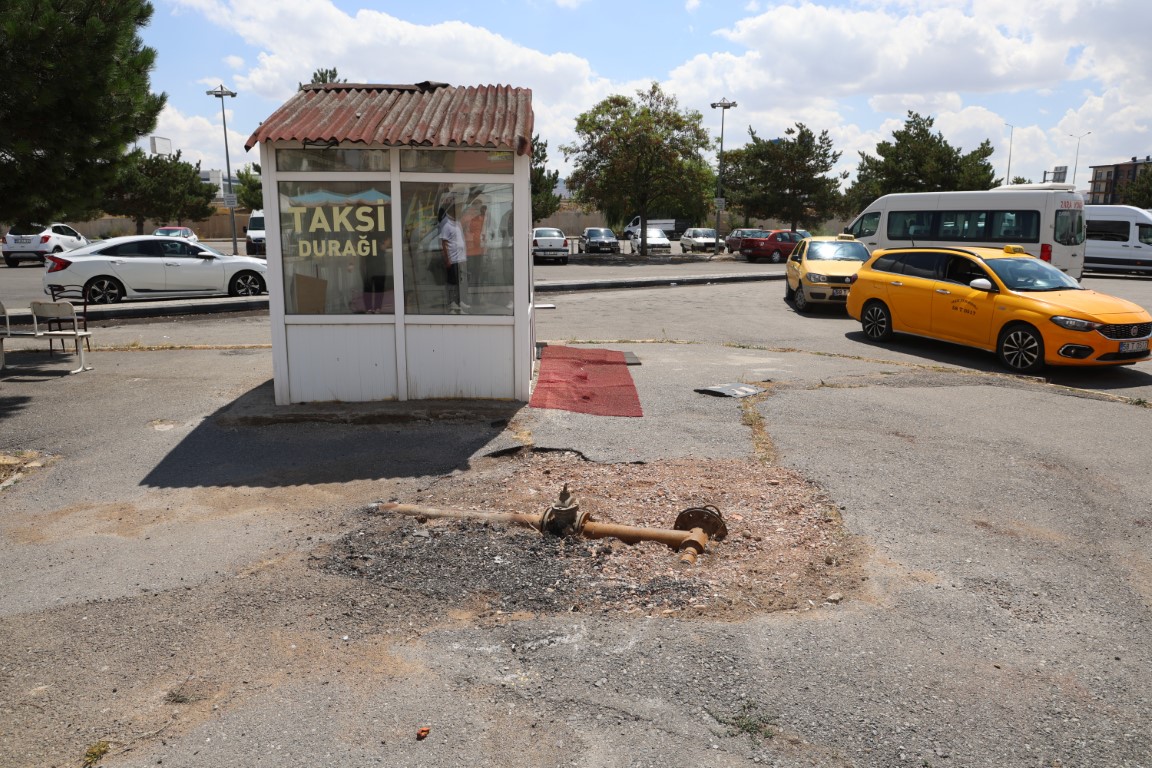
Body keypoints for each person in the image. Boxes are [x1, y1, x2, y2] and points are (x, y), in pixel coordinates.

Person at [438, 199, 469, 312]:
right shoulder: (446, 224)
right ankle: (452, 303)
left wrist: (464, 256)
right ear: (452, 210)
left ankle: (459, 301)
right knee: (452, 282)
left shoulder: (458, 222)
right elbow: (444, 243)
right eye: (459, 208)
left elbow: (461, 239)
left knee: (460, 281)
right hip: (453, 258)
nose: (460, 211)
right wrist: (447, 259)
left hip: (461, 258)